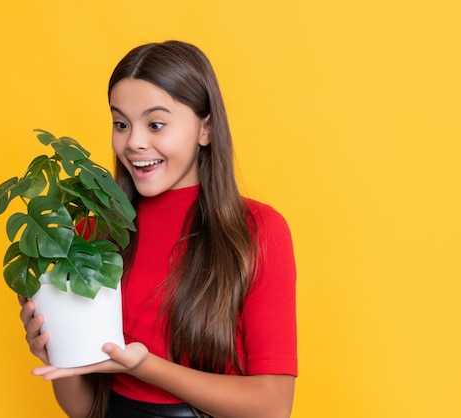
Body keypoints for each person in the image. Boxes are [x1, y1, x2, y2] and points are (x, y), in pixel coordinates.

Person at [18, 40, 297, 418]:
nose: (133, 142)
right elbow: (84, 410)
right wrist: (58, 354)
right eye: (121, 123)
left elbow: (272, 406)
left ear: (206, 129)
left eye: (156, 124)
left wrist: (143, 366)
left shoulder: (256, 230)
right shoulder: (90, 233)